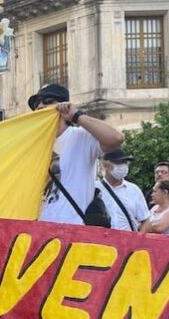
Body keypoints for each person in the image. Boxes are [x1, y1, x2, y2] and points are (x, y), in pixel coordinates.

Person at [28, 84, 123, 225]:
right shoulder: (33, 146)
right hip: (40, 233)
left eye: (47, 100)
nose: (40, 106)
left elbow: (116, 139)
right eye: (36, 104)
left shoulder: (80, 137)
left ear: (63, 106)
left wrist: (77, 116)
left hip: (75, 231)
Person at [95, 148, 150, 233]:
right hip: (101, 242)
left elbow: (146, 220)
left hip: (128, 242)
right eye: (118, 163)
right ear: (105, 164)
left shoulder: (134, 190)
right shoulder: (94, 189)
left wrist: (138, 240)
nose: (122, 166)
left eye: (125, 163)